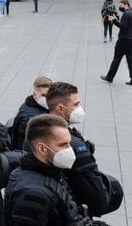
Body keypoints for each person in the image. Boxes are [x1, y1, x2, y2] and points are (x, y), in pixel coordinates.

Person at [5, 114, 92, 226]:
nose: (70, 149)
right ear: (42, 148)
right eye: (63, 145)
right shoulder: (33, 194)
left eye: (69, 143)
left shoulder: (50, 172)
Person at [45, 82, 113, 217]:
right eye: (76, 104)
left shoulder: (37, 131)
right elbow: (97, 199)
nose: (79, 108)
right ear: (60, 108)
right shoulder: (72, 145)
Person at [10, 76, 53, 150]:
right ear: (34, 95)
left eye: (50, 95)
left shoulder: (36, 105)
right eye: (43, 95)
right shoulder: (29, 118)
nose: (47, 98)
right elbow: (25, 145)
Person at [101, 0, 132, 84]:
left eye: (121, 5)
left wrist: (113, 20)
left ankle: (109, 77)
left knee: (116, 59)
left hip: (123, 40)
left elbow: (123, 26)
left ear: (126, 5)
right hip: (130, 40)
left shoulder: (126, 14)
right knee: (130, 60)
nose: (120, 7)